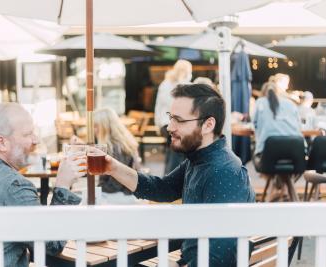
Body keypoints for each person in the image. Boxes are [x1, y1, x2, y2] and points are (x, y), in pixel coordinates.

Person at [95, 84, 255, 267]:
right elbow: (162, 189)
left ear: (208, 125)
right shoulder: (198, 160)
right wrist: (112, 167)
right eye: (171, 117)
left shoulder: (224, 172)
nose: (170, 126)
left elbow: (220, 257)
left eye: (179, 120)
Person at [0, 103, 85, 266]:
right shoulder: (14, 185)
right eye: (28, 134)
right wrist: (63, 185)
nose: (37, 139)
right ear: (1, 143)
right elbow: (51, 245)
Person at [93, 107, 142, 204]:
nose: (93, 129)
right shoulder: (121, 142)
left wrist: (99, 188)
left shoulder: (114, 147)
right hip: (126, 194)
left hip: (120, 197)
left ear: (104, 126)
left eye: (95, 126)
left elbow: (115, 184)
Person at [154, 59, 192, 174]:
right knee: (177, 153)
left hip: (164, 124)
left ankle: (168, 178)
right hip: (177, 124)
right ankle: (172, 179)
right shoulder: (185, 86)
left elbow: (158, 107)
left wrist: (158, 124)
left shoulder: (164, 84)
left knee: (172, 151)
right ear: (186, 71)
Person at [253, 81, 302, 157]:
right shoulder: (290, 103)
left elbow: (254, 122)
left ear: (262, 93)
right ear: (278, 92)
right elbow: (299, 124)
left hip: (268, 153)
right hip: (293, 151)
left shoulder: (260, 102)